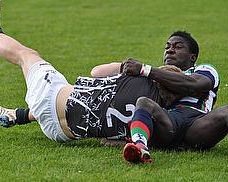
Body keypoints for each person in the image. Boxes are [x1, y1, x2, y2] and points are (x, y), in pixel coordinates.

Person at [0, 0, 180, 156]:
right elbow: (107, 142)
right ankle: (18, 115)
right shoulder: (147, 120)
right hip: (59, 134)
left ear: (157, 79)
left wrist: (127, 68)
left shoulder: (139, 79)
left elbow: (96, 71)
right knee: (84, 99)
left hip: (48, 96)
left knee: (27, 55)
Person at [92, 31, 227, 163]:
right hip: (167, 123)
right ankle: (139, 146)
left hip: (197, 124)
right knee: (143, 102)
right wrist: (124, 67)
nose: (170, 50)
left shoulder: (204, 69)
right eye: (167, 47)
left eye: (178, 47)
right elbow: (96, 72)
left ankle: (132, 140)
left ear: (192, 57)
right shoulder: (156, 74)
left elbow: (195, 85)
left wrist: (145, 70)